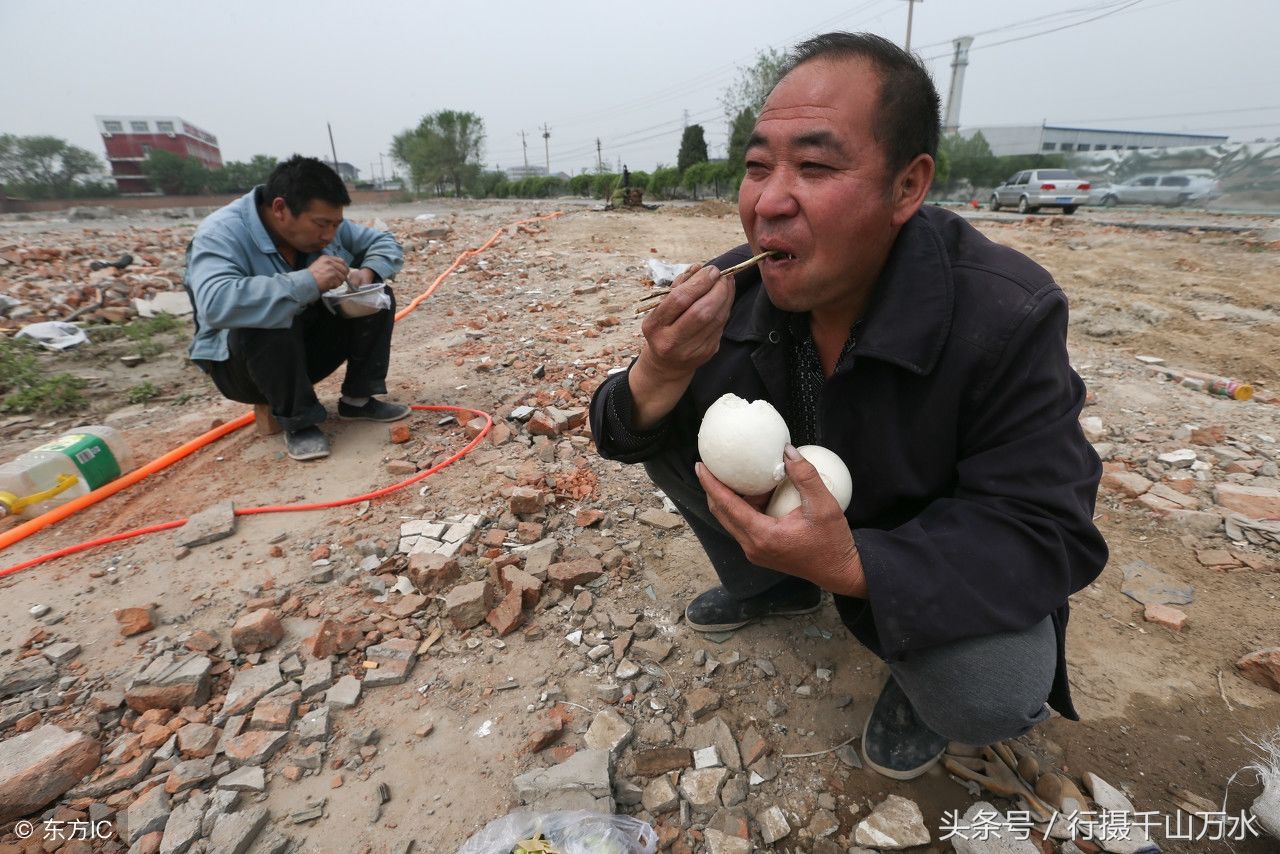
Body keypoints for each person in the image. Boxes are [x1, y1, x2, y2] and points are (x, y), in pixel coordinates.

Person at [589, 32, 1107, 781]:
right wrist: (658, 369)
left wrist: (863, 566)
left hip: (919, 549)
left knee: (987, 691)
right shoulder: (738, 288)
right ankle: (778, 585)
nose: (768, 202)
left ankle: (907, 666)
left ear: (907, 186)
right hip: (813, 512)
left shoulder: (1004, 315)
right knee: (664, 415)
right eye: (758, 166)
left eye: (816, 165)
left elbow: (1047, 531)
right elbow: (617, 430)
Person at [185, 155, 409, 461]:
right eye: (321, 224)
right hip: (242, 369)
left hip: (301, 355)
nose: (329, 235)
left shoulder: (326, 227)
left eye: (335, 224)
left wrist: (367, 272)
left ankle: (358, 399)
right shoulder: (220, 233)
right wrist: (307, 281)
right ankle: (299, 421)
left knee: (376, 296)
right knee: (269, 313)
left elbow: (384, 241)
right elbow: (215, 303)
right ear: (280, 209)